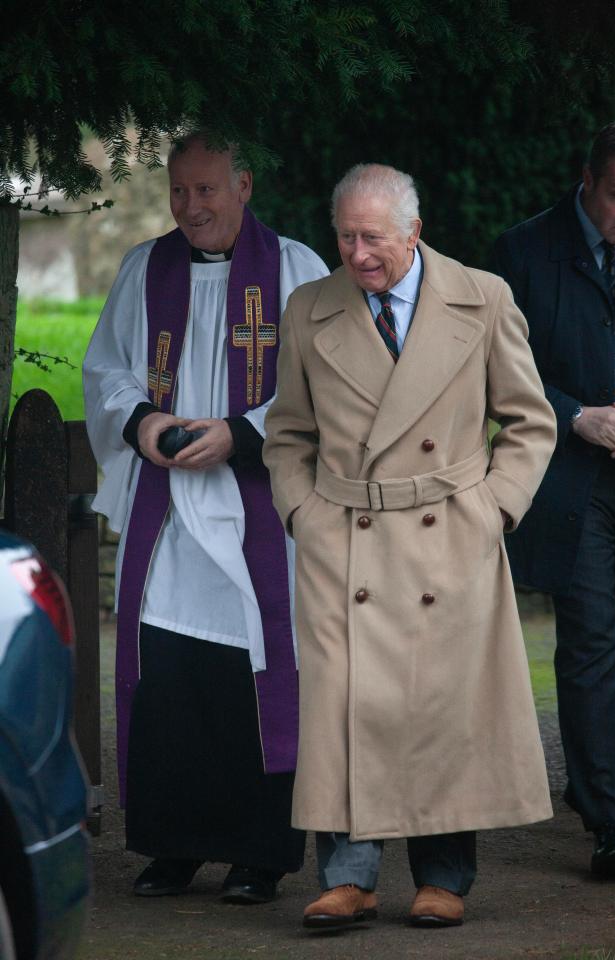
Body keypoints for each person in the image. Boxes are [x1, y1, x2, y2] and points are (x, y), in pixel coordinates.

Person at [263, 163, 556, 930]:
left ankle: (443, 875)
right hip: (344, 541)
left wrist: (493, 510)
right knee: (342, 705)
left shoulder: (483, 297)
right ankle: (350, 875)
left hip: (448, 537)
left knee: (441, 704)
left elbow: (530, 420)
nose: (357, 254)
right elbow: (287, 434)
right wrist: (304, 515)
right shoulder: (308, 308)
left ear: (414, 233)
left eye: (373, 239)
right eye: (346, 236)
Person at [83, 133, 327, 902]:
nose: (191, 206)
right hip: (169, 510)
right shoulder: (142, 270)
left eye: (207, 190)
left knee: (253, 675)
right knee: (168, 677)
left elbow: (325, 382)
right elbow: (107, 371)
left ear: (244, 185)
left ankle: (260, 854)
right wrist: (145, 426)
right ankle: (172, 845)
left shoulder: (296, 269)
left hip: (257, 504)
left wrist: (240, 432)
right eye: (179, 192)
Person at [492, 119, 615, 877]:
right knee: (588, 644)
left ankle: (610, 789)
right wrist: (576, 414)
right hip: (567, 478)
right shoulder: (522, 252)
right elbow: (493, 373)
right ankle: (614, 817)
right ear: (587, 179)